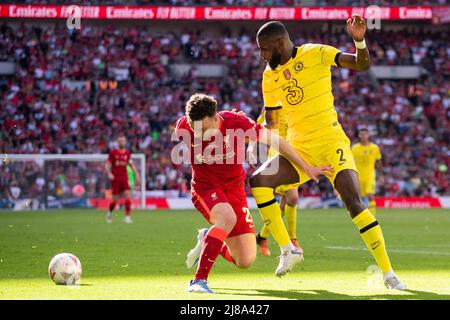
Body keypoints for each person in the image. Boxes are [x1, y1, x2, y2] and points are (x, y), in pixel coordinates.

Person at [250, 16, 405, 289]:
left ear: (280, 43)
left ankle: (388, 274)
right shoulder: (269, 76)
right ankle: (288, 249)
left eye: (264, 48)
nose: (261, 54)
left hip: (331, 142)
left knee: (354, 203)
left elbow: (361, 63)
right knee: (259, 181)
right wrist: (259, 135)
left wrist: (359, 40)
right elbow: (273, 124)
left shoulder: (315, 53)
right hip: (299, 148)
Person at [173, 93, 332, 293]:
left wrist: (307, 167)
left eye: (204, 129)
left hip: (234, 189)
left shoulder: (235, 122)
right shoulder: (183, 127)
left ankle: (208, 238)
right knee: (226, 219)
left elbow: (276, 141)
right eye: (196, 130)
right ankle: (198, 281)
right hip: (206, 188)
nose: (200, 134)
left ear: (216, 118)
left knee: (245, 260)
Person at [255, 108, 302, 257]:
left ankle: (262, 236)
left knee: (284, 203)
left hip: (294, 151)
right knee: (293, 197)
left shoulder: (295, 102)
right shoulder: (271, 104)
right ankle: (292, 239)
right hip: (278, 153)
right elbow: (258, 127)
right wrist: (268, 126)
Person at [105, 134, 141, 224]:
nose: (122, 142)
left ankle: (127, 217)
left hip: (124, 178)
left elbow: (131, 165)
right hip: (115, 179)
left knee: (128, 195)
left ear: (125, 142)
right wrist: (109, 173)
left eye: (123, 141)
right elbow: (107, 165)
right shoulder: (113, 153)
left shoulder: (127, 154)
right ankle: (109, 212)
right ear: (117, 142)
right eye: (120, 141)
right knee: (115, 200)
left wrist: (136, 174)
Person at [351, 127, 383, 216]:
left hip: (370, 175)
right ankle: (360, 216)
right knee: (358, 198)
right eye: (361, 134)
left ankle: (372, 216)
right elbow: (350, 161)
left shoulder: (374, 148)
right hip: (358, 176)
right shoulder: (354, 148)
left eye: (365, 134)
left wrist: (381, 175)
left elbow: (378, 161)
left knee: (370, 194)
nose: (363, 136)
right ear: (359, 135)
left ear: (368, 135)